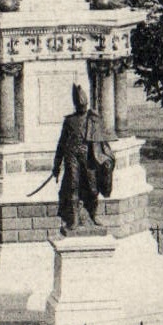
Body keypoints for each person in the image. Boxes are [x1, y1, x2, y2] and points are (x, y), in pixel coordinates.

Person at [52, 83, 112, 234]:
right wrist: (56, 165)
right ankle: (74, 219)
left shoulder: (93, 119)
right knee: (72, 186)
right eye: (80, 105)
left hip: (89, 157)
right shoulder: (69, 121)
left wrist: (106, 159)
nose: (83, 107)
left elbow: (102, 143)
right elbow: (61, 144)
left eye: (84, 105)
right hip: (72, 156)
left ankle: (93, 215)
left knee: (93, 187)